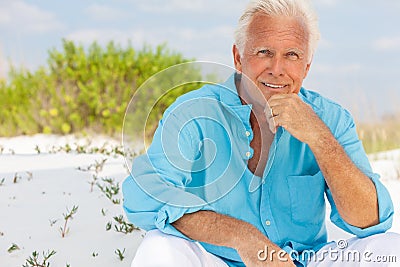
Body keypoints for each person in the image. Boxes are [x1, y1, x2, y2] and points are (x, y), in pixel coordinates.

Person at [122, 0, 400, 266]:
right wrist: (242, 237)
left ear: (307, 66)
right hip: (217, 260)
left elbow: (371, 220)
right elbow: (143, 195)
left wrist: (319, 138)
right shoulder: (194, 113)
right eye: (264, 52)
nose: (277, 69)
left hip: (303, 262)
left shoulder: (331, 118)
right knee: (158, 246)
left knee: (391, 249)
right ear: (238, 58)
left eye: (292, 55)